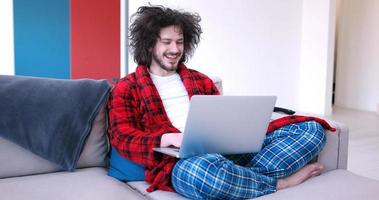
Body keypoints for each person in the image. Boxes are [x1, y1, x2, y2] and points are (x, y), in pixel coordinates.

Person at [107, 5, 335, 199]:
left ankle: (237, 178)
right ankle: (278, 184)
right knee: (204, 173)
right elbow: (121, 137)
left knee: (312, 129)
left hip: (224, 151)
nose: (175, 49)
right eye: (166, 42)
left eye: (180, 41)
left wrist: (243, 130)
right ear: (148, 45)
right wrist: (168, 138)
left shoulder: (201, 80)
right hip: (182, 163)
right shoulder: (127, 87)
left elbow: (222, 120)